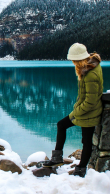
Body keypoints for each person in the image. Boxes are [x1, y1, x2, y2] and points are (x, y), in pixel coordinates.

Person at [43, 43, 103, 177]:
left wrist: (75, 111)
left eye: (74, 60)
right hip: (85, 111)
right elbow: (85, 95)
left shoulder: (91, 74)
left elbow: (90, 101)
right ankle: (57, 158)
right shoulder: (88, 67)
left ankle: (81, 169)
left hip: (90, 113)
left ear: (80, 59)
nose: (73, 63)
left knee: (86, 141)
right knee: (61, 125)